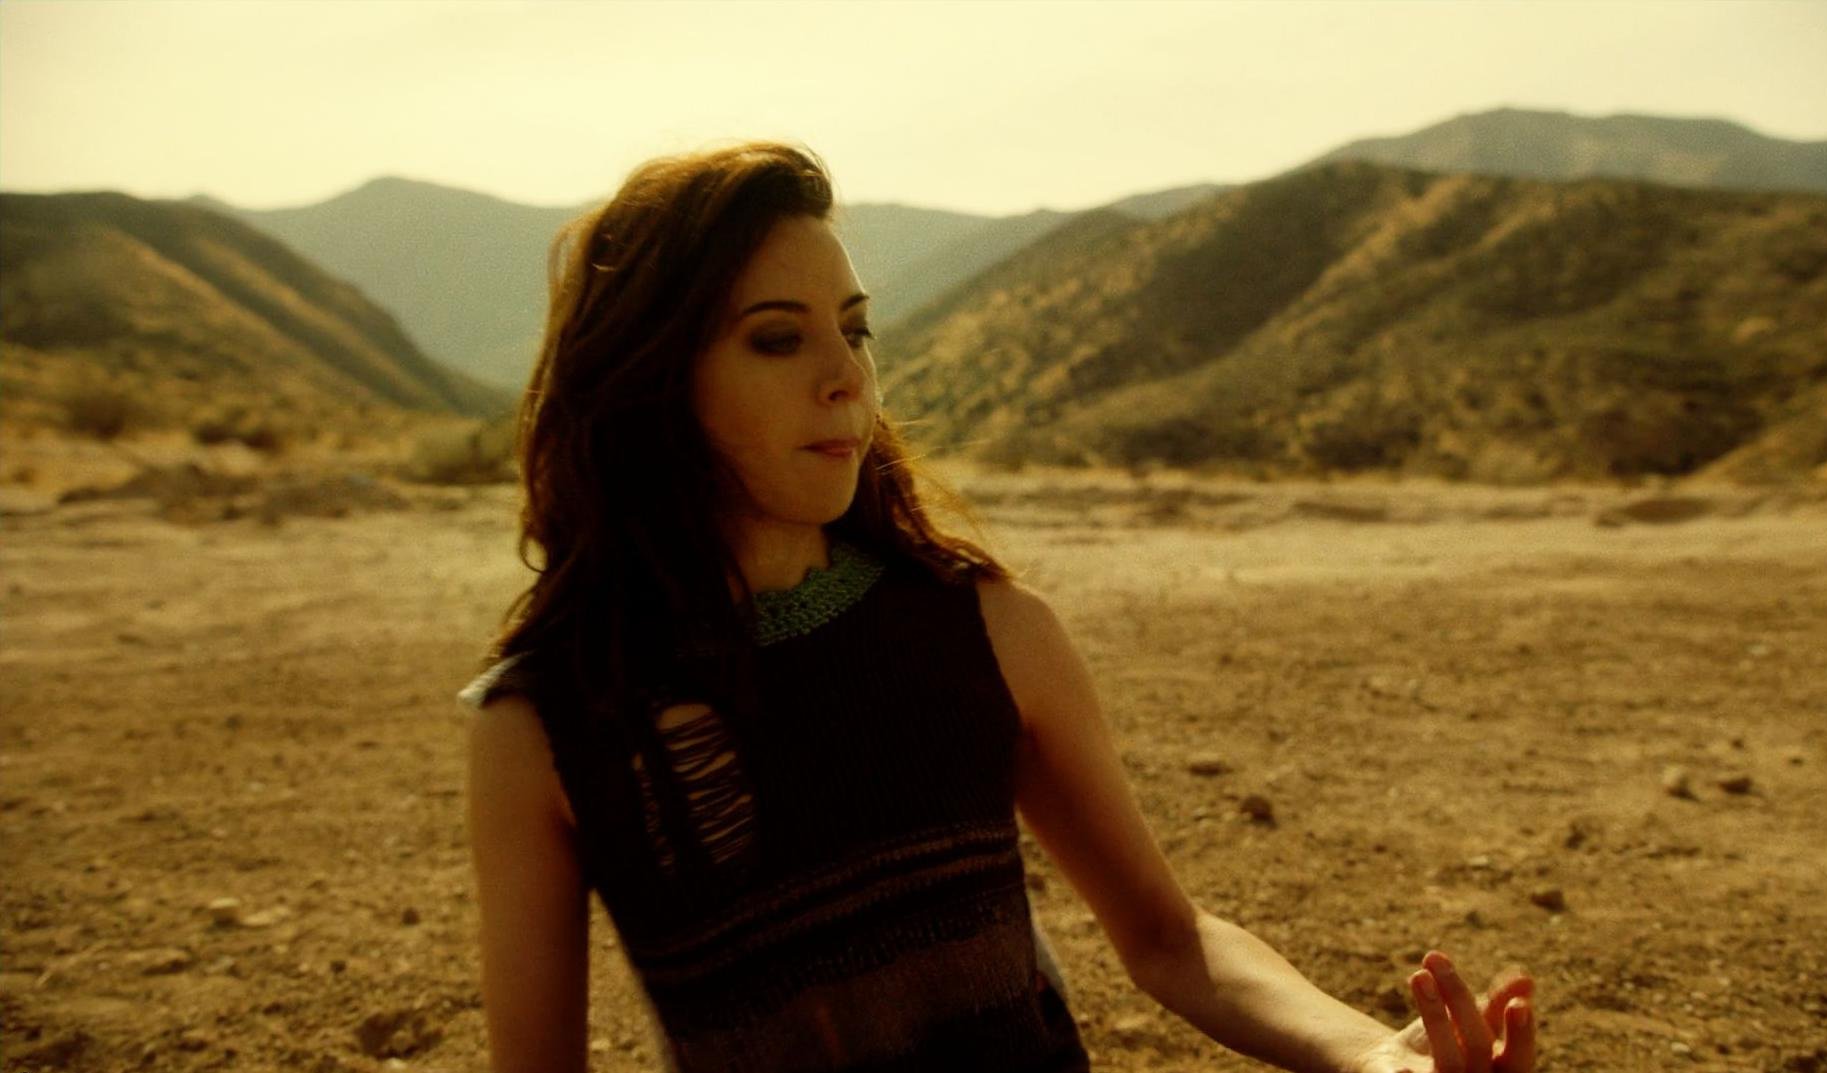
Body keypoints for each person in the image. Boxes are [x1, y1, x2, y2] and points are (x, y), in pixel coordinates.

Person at [460, 140, 1538, 1073]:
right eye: (778, 338)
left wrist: (1367, 1051)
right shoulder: (543, 724)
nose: (846, 377)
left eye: (856, 330)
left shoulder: (986, 625)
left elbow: (1169, 938)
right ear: (653, 376)